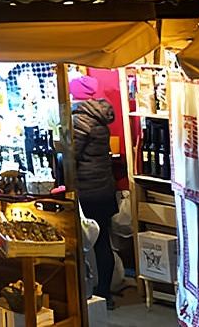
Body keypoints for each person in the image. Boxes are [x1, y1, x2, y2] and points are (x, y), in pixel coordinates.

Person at [70, 74, 118, 309]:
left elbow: (72, 156)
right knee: (103, 242)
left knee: (87, 241)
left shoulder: (81, 120)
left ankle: (88, 293)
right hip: (104, 188)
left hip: (87, 190)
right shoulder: (99, 116)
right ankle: (105, 294)